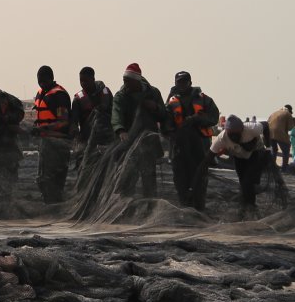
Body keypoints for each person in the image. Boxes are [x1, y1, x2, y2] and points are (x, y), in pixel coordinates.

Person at [164, 71, 220, 211]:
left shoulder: (204, 99)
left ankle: (199, 207)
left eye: (184, 82)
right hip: (179, 146)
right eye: (179, 82)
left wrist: (197, 119)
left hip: (199, 145)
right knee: (180, 177)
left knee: (199, 176)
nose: (182, 85)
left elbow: (214, 117)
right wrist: (171, 131)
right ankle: (184, 206)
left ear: (190, 82)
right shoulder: (171, 101)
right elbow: (165, 120)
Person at [112, 63, 166, 197]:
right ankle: (124, 203)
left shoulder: (153, 93)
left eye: (128, 81)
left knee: (149, 177)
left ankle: (149, 203)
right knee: (127, 176)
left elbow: (164, 115)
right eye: (124, 80)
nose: (125, 84)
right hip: (128, 142)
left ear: (137, 81)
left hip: (148, 142)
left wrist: (155, 107)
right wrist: (120, 130)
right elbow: (116, 114)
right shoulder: (121, 96)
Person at [211, 114, 272, 219]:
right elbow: (210, 154)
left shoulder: (252, 128)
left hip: (256, 153)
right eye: (232, 134)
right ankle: (246, 206)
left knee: (248, 181)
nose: (234, 137)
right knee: (243, 182)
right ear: (227, 131)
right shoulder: (222, 138)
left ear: (242, 129)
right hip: (239, 157)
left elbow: (266, 125)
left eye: (237, 134)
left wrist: (269, 147)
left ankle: (250, 206)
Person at [33, 65, 74, 204]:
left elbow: (63, 122)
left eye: (44, 81)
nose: (42, 84)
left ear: (51, 78)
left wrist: (44, 127)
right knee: (42, 178)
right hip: (45, 142)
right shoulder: (40, 93)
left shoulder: (59, 95)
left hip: (59, 143)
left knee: (55, 178)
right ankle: (48, 202)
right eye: (39, 81)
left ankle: (56, 203)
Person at [71, 67, 114, 151]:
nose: (83, 83)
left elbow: (114, 112)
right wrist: (76, 136)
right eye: (81, 81)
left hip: (107, 135)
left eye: (86, 81)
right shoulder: (77, 100)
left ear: (93, 79)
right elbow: (74, 122)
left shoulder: (106, 92)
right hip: (88, 138)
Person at [268, 104, 295, 170]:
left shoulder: (274, 113)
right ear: (289, 110)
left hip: (269, 132)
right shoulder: (287, 114)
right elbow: (290, 128)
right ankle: (284, 167)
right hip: (279, 132)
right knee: (286, 149)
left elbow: (268, 122)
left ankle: (272, 166)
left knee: (274, 149)